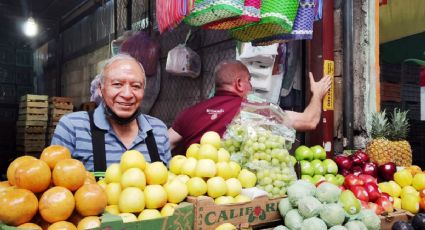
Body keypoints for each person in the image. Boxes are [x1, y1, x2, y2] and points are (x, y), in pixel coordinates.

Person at [168, 59, 332, 153]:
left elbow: (165, 143)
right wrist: (317, 94)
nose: (251, 87)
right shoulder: (255, 110)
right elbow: (309, 121)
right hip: (235, 193)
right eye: (249, 81)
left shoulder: (189, 113)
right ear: (239, 84)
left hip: (193, 191)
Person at [52, 53, 171, 171]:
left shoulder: (158, 130)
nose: (127, 94)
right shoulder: (72, 127)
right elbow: (56, 184)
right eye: (117, 84)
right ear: (100, 88)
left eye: (136, 86)